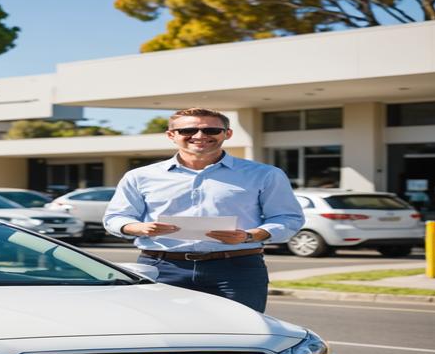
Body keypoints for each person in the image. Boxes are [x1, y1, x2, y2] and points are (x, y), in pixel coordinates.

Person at [103, 107, 304, 312]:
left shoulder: (265, 174)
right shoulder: (139, 176)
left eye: (211, 130)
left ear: (227, 134)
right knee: (165, 333)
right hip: (161, 267)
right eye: (187, 131)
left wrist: (248, 236)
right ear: (171, 135)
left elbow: (288, 218)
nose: (199, 136)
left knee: (241, 332)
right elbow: (116, 217)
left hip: (238, 268)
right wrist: (138, 228)